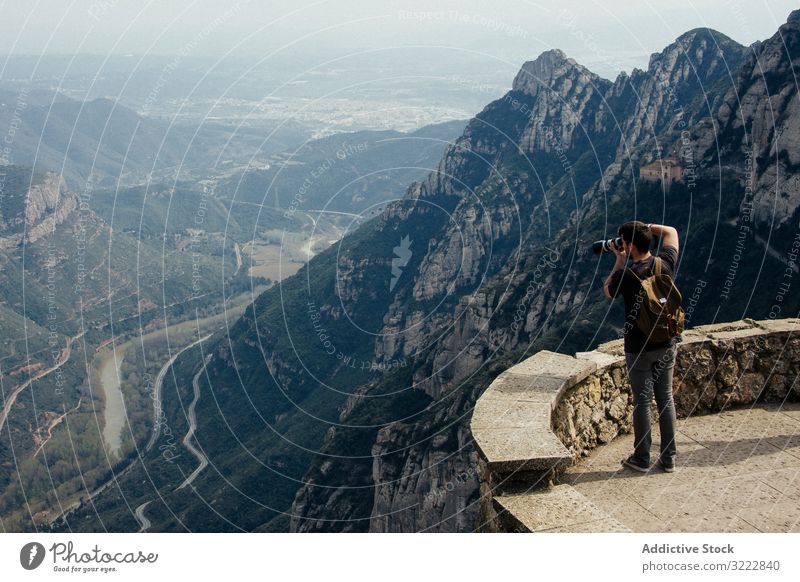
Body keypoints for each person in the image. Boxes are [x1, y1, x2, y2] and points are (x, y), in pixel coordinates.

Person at [603, 221, 680, 473]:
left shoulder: (627, 274)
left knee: (642, 402)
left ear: (630, 245)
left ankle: (642, 457)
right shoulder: (664, 263)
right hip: (667, 341)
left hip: (638, 347)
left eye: (623, 241)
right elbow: (671, 232)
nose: (620, 244)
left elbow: (608, 291)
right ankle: (668, 458)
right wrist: (648, 227)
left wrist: (619, 260)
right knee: (666, 398)